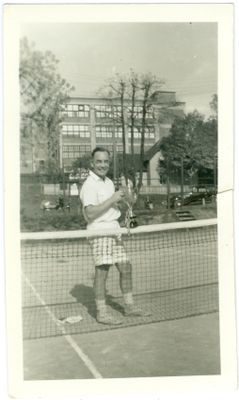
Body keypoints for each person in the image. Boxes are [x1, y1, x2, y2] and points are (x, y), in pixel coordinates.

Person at [80, 147, 150, 325]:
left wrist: (127, 192)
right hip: (99, 231)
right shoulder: (89, 185)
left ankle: (129, 307)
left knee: (126, 268)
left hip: (114, 230)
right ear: (92, 163)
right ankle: (102, 313)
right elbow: (89, 214)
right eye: (99, 161)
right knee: (102, 273)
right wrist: (112, 199)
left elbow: (128, 203)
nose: (103, 165)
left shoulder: (109, 182)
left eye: (106, 162)